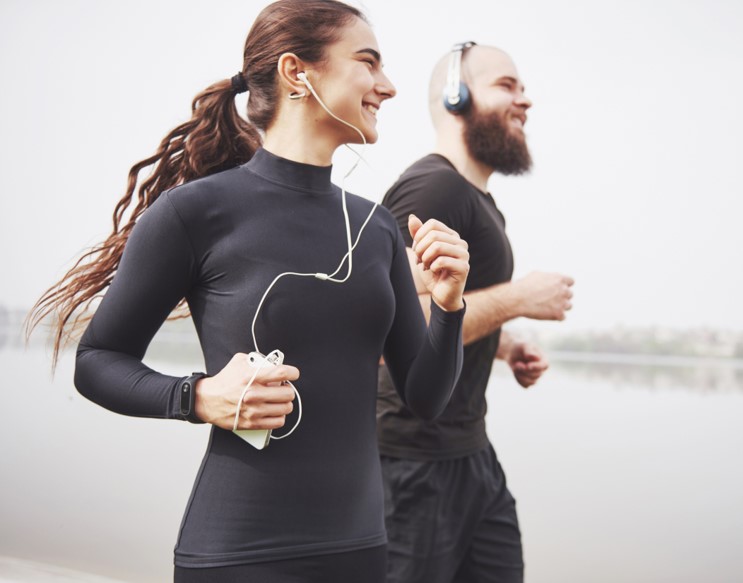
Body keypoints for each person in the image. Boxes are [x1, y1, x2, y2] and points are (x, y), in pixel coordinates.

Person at [26, 2, 471, 581]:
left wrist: (449, 304)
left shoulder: (376, 226)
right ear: (296, 72)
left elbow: (425, 397)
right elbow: (97, 361)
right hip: (238, 553)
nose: (387, 86)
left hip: (359, 548)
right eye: (368, 63)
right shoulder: (196, 213)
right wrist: (198, 397)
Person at [376, 42, 575, 583]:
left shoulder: (477, 199)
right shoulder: (434, 186)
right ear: (456, 96)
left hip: (470, 455)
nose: (525, 100)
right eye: (507, 86)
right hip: (410, 463)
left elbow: (448, 307)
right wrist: (517, 299)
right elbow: (384, 332)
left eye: (523, 88)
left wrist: (506, 345)